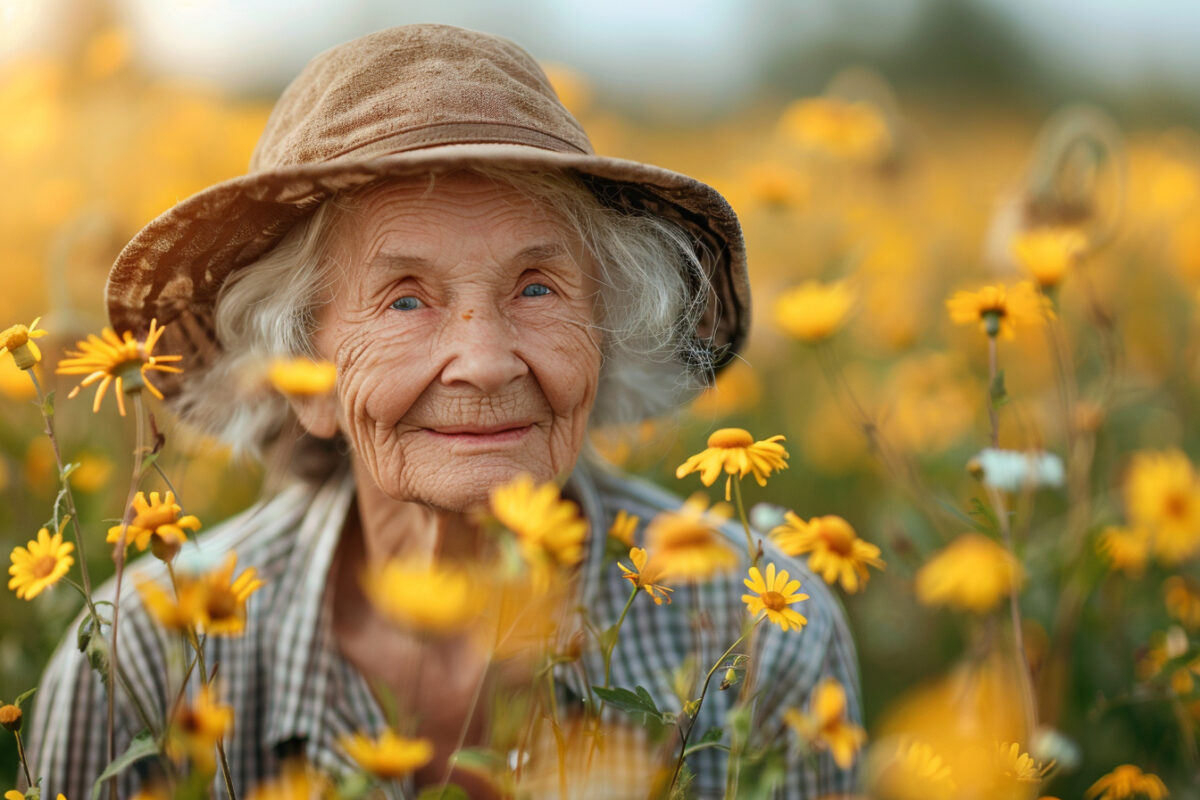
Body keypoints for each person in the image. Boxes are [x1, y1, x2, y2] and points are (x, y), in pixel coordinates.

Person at [28, 24, 860, 799]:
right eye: (404, 300)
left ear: (604, 337)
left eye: (537, 287)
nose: (486, 359)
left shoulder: (760, 635)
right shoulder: (151, 658)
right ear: (301, 376)